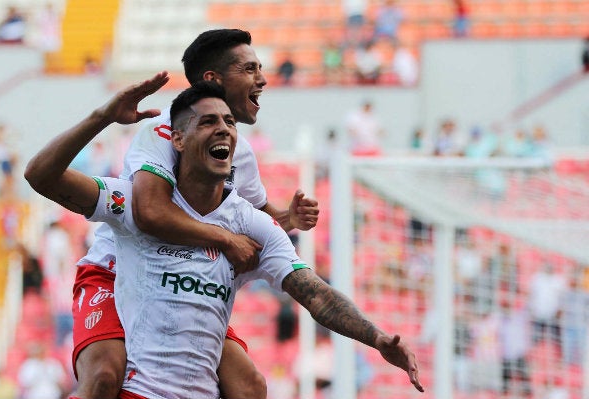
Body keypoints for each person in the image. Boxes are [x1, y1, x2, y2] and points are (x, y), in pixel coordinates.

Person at [25, 75, 424, 399]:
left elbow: (315, 293)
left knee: (252, 388)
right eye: (208, 122)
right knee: (102, 379)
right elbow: (40, 175)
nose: (224, 130)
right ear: (177, 139)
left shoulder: (252, 225)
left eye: (229, 123)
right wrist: (102, 116)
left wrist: (377, 336)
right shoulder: (134, 202)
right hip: (137, 384)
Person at [63, 29, 318, 399]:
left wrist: (286, 218)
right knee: (104, 376)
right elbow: (150, 212)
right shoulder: (163, 130)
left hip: (179, 278)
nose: (261, 80)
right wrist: (224, 238)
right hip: (116, 272)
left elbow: (255, 215)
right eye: (249, 69)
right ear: (213, 79)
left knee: (250, 386)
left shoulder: (238, 151)